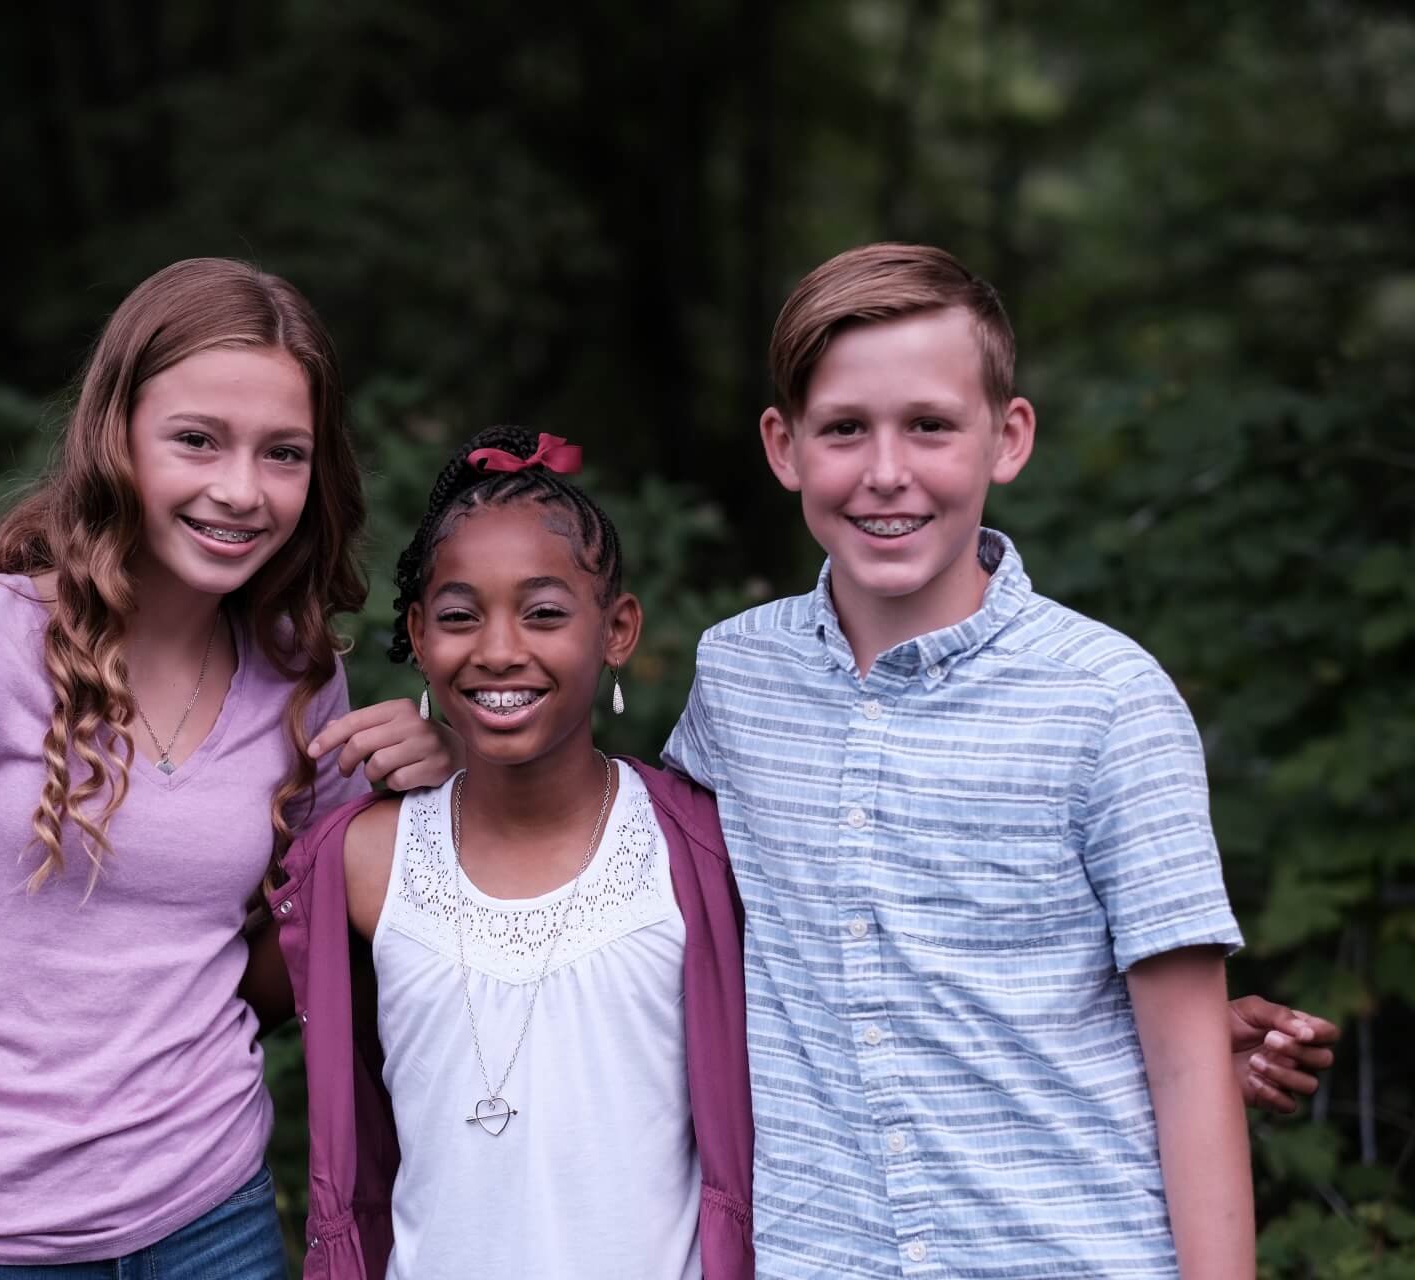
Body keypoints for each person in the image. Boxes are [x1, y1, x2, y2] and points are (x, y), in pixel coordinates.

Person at [662, 242, 1339, 1277]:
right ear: (783, 445)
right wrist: (453, 753)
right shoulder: (736, 678)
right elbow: (621, 881)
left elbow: (1192, 1070)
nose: (886, 471)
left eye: (930, 425)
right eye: (845, 428)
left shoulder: (1109, 701)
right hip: (822, 1251)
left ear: (1007, 438)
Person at [0, 258, 457, 1279]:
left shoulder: (301, 678)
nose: (240, 489)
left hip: (213, 1217)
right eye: (198, 439)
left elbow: (301, 951)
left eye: (282, 452)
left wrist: (422, 792)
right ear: (117, 434)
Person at [272, 427, 754, 1280]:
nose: (498, 649)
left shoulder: (698, 852)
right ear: (418, 635)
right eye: (460, 616)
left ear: (618, 629)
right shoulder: (359, 862)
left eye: (544, 613)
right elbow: (204, 987)